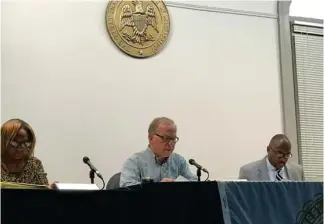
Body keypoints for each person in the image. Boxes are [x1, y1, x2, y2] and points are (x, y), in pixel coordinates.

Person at [119, 117, 197, 187]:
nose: (170, 144)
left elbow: (196, 184)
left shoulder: (179, 161)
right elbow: (126, 191)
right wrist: (157, 188)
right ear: (150, 138)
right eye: (166, 138)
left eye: (173, 139)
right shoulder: (134, 162)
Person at [1, 118, 49, 186]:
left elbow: (44, 190)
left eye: (25, 143)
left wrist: (52, 189)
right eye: (14, 142)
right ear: (3, 140)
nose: (19, 148)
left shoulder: (34, 164)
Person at [238, 134, 304, 181]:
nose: (283, 159)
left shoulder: (297, 171)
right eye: (280, 153)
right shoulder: (248, 172)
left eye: (287, 154)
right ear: (268, 149)